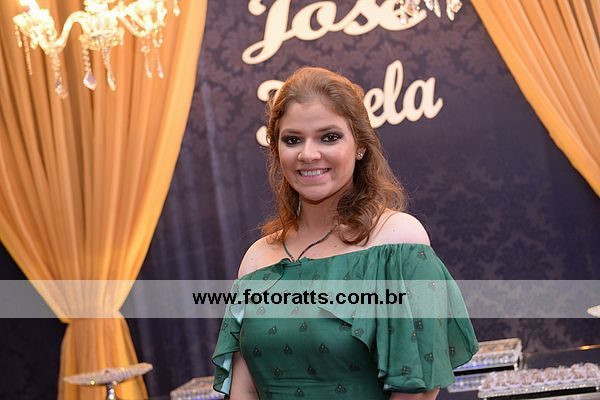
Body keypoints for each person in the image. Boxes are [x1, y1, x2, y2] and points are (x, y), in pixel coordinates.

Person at [212, 66, 478, 399]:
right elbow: (244, 391)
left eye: (329, 137)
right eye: (293, 139)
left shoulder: (398, 241)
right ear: (277, 151)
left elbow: (416, 391)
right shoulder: (256, 260)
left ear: (361, 145)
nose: (308, 154)